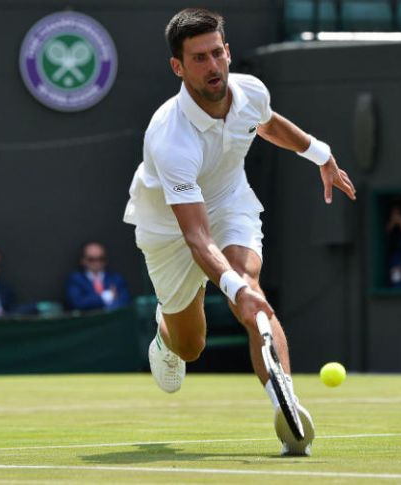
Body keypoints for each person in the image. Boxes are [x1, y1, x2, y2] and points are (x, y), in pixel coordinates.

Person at [122, 8, 356, 456]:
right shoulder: (170, 136)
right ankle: (165, 334)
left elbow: (266, 123)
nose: (213, 66)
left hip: (230, 201)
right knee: (191, 347)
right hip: (170, 228)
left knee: (253, 289)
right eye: (199, 59)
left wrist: (321, 155)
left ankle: (287, 408)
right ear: (178, 66)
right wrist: (230, 288)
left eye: (217, 53)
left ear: (228, 51)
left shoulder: (250, 91)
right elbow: (195, 237)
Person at [65, 242, 131, 311]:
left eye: (101, 259)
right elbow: (77, 303)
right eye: (91, 259)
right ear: (83, 260)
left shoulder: (116, 278)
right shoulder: (75, 279)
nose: (97, 263)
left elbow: (125, 301)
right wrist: (106, 296)